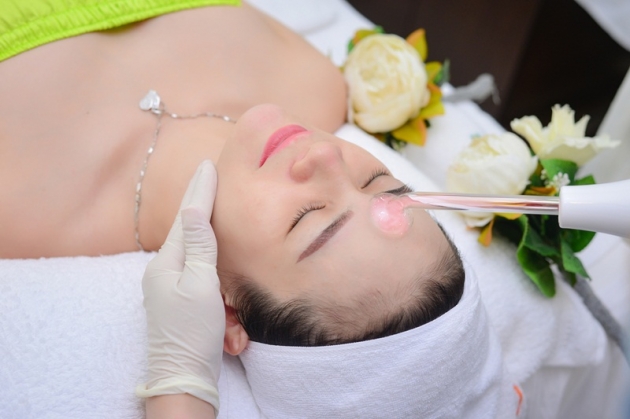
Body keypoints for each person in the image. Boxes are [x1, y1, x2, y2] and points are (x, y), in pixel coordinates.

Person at [1, 1, 628, 418]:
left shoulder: (22, 206)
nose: (327, 158)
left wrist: (180, 380)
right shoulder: (314, 84)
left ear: (225, 307)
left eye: (308, 219)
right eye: (380, 182)